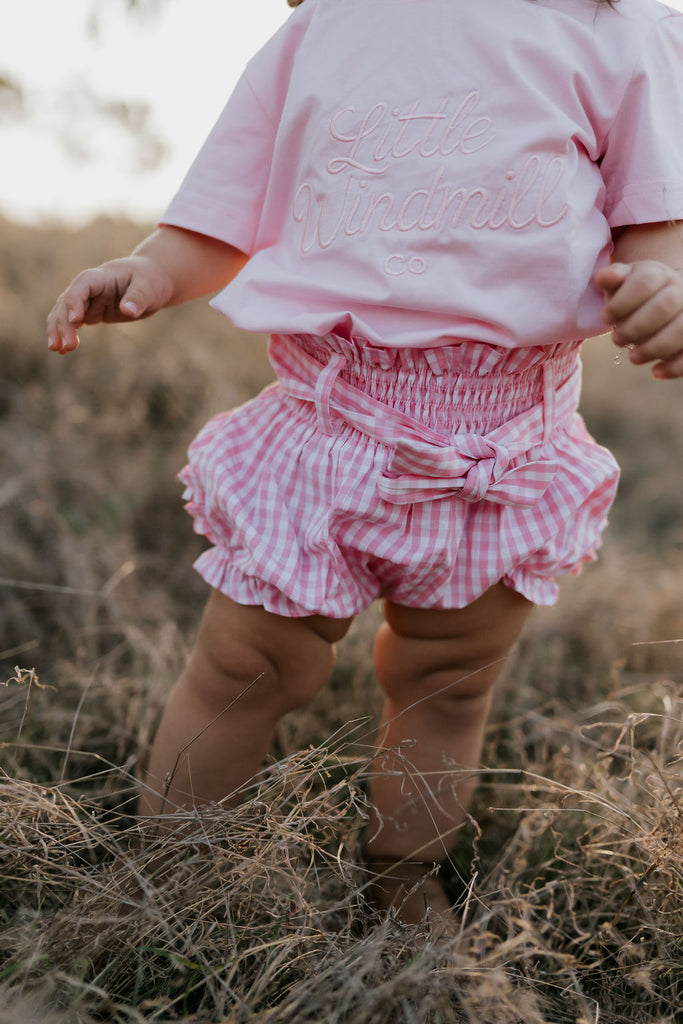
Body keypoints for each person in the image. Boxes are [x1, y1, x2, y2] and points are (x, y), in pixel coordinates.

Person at [47, 0, 683, 934]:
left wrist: (664, 284)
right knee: (245, 665)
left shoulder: (612, 31)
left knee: (448, 679)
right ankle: (175, 874)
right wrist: (153, 270)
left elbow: (654, 217)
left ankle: (402, 874)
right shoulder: (324, 28)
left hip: (497, 445)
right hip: (326, 424)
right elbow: (224, 211)